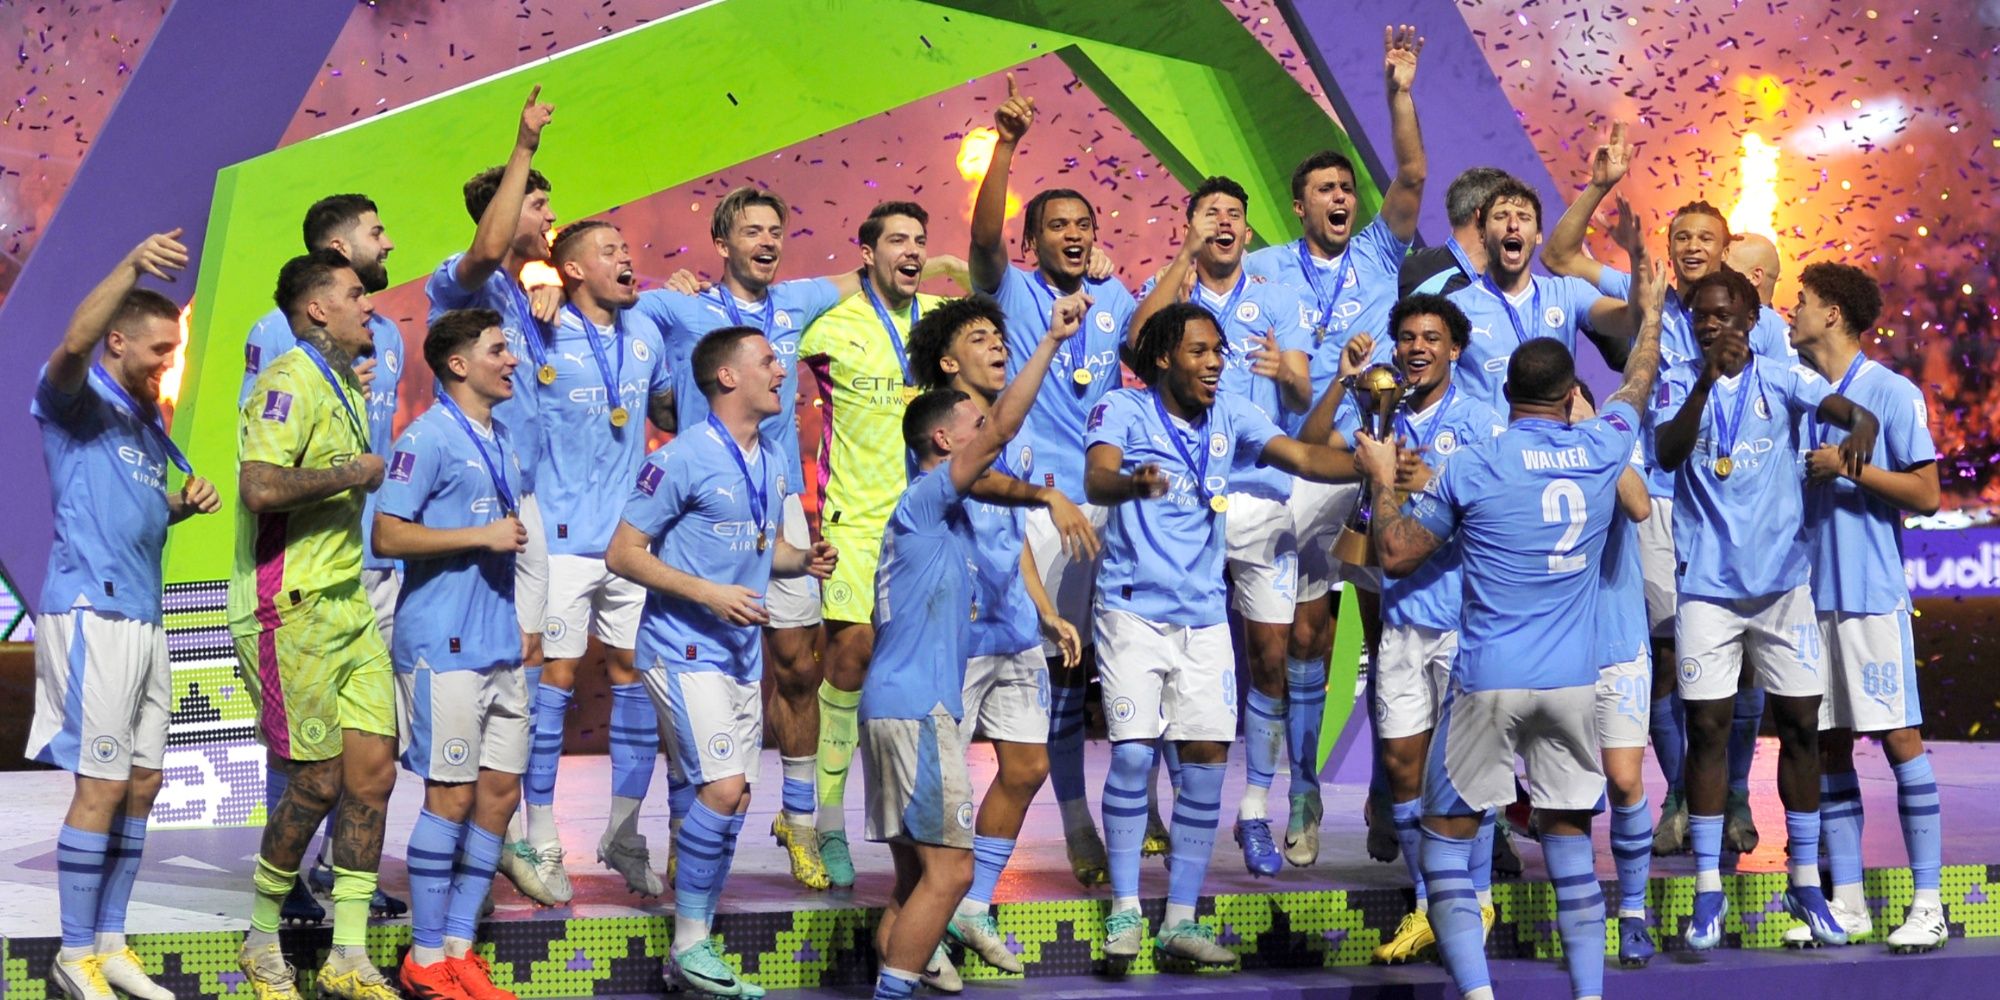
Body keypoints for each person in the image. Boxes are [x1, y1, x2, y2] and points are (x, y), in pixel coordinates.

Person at [1357, 254, 1670, 1000]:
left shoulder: (1477, 463)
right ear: (1569, 398)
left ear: (1503, 393)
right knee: (1568, 841)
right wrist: (1649, 312)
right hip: (1571, 686)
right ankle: (1589, 995)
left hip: (1491, 681)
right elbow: (1637, 383)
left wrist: (1380, 483)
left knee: (1445, 840)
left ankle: (1478, 995)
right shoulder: (1602, 447)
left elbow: (1395, 556)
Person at [632, 186, 911, 891]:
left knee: (796, 667)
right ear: (722, 243)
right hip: (701, 512)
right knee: (699, 678)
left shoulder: (798, 300)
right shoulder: (681, 305)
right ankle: (680, 830)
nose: (767, 240)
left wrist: (937, 260)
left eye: (775, 229)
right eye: (751, 230)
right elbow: (610, 300)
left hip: (778, 507)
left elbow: (866, 273)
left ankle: (800, 822)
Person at [1087, 302, 1357, 965]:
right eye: (1200, 353)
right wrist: (1130, 485)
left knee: (1207, 762)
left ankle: (1180, 920)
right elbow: (1095, 476)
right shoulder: (1124, 410)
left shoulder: (1231, 412)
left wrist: (1370, 468)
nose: (1214, 365)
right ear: (1162, 358)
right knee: (1130, 756)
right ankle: (1124, 911)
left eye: (1219, 353)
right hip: (1131, 611)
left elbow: (1300, 457)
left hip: (1204, 614)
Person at [1543, 126, 1789, 854]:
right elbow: (1561, 256)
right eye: (1679, 235)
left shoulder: (1762, 325)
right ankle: (1682, 788)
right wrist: (1601, 184)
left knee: (1734, 657)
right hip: (1656, 498)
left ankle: (1736, 794)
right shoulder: (1646, 294)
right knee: (1660, 655)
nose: (1688, 247)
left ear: (1724, 249)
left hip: (1731, 508)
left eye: (1702, 238)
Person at [859, 290, 1083, 1000]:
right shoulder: (928, 495)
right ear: (946, 440)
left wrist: (1042, 607)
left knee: (919, 880)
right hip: (918, 710)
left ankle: (906, 964)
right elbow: (997, 434)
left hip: (904, 703)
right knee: (951, 874)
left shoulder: (943, 513)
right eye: (974, 427)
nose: (987, 429)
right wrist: (1049, 340)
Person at [1242, 24, 1428, 868]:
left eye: (1347, 186)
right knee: (1308, 636)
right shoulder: (1267, 267)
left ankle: (1394, 800)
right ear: (1299, 204)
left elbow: (1415, 176)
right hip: (1317, 461)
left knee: (1403, 627)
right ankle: (1305, 792)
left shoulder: (1383, 253)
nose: (1342, 198)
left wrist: (1397, 94)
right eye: (1325, 188)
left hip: (1394, 456)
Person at [606, 325, 838, 997]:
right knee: (725, 788)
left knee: (728, 803)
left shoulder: (768, 458)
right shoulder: (680, 458)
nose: (781, 370)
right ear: (728, 378)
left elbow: (761, 550)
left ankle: (691, 949)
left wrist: (801, 561)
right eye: (767, 361)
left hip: (737, 657)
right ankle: (690, 944)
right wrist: (708, 593)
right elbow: (622, 554)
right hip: (680, 650)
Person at [1654, 266, 1880, 950]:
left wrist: (1861, 419)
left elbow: (1838, 407)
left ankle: (1804, 880)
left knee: (1802, 727)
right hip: (1708, 594)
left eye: (1724, 314)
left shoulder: (1781, 378)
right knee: (1710, 731)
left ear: (1751, 319)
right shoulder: (1673, 383)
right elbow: (1666, 454)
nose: (1711, 324)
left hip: (1784, 588)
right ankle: (1707, 891)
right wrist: (1702, 380)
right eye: (1701, 315)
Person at [29, 230, 217, 1000]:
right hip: (90, 613)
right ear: (118, 342)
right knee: (101, 785)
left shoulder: (144, 422)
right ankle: (73, 952)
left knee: (143, 783)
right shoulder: (74, 401)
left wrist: (175, 506)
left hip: (143, 616)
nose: (165, 363)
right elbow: (71, 342)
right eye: (158, 350)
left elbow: (127, 510)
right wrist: (131, 263)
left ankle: (110, 944)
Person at [1130, 177, 1314, 877]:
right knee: (1175, 650)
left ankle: (1255, 810)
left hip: (1263, 498)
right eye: (1210, 214)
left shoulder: (1273, 293)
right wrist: (1182, 258)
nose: (1225, 222)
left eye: (1236, 213)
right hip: (1185, 499)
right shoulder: (1173, 290)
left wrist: (1283, 372)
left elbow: (1299, 386)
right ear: (1191, 225)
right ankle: (1163, 804)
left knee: (1270, 656)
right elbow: (1135, 345)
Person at [966, 73, 1124, 887]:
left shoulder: (1114, 292)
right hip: (1031, 508)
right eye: (1055, 224)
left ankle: (1124, 816)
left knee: (1095, 667)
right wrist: (1007, 145)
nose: (1070, 234)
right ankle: (1064, 826)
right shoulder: (1012, 288)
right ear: (1033, 244)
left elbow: (1153, 333)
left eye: (1082, 225)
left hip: (1101, 514)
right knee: (1038, 667)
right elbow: (986, 231)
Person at [231, 249, 400, 1000]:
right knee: (319, 779)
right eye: (356, 294)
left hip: (348, 604)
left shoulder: (342, 383)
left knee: (374, 775)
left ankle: (349, 956)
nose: (371, 305)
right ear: (316, 309)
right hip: (287, 607)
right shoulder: (285, 383)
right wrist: (348, 473)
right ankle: (262, 942)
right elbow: (259, 486)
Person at [1334, 297, 1505, 965]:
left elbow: (1496, 506)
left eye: (1431, 338)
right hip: (1403, 616)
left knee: (1464, 772)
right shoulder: (1381, 417)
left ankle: (1476, 899)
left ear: (1454, 349)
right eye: (1405, 337)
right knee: (1403, 765)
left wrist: (1432, 482)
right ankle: (1431, 902)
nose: (1415, 348)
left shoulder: (1483, 422)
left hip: (1466, 618)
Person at [423, 85, 562, 905]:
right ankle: (478, 828)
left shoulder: (526, 295)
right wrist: (524, 147)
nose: (546, 217)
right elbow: (483, 246)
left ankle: (509, 827)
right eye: (536, 206)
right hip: (477, 513)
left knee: (529, 662)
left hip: (533, 500)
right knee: (484, 663)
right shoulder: (461, 284)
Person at [1786, 261, 1946, 952]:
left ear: (1833, 316)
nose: (1792, 311)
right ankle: (1847, 902)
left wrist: (1847, 467)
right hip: (1804, 598)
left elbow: (1927, 493)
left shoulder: (1891, 391)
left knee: (1899, 736)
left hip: (1869, 598)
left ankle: (1929, 902)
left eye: (1802, 302)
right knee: (1827, 743)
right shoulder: (1797, 393)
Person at [373, 308, 529, 1000]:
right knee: (452, 795)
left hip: (497, 644)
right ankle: (425, 956)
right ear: (459, 364)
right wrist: (478, 538)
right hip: (442, 644)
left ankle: (462, 948)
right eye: (499, 350)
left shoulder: (505, 439)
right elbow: (386, 535)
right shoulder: (426, 439)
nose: (513, 360)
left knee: (499, 795)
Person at [797, 201, 951, 888]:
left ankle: (910, 831)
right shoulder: (827, 327)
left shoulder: (944, 321)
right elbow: (752, 330)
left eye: (920, 240)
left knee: (914, 682)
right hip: (854, 525)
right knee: (852, 656)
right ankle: (826, 825)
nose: (912, 251)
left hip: (928, 526)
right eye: (897, 240)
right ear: (867, 253)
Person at [528, 219, 675, 900]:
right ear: (574, 270)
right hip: (559, 541)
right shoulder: (543, 326)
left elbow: (669, 410)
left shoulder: (646, 331)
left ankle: (623, 834)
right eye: (609, 250)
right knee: (553, 677)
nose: (626, 256)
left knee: (633, 675)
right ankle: (541, 839)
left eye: (627, 245)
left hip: (628, 540)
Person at [1571, 382, 1660, 969]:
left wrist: (1596, 429)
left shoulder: (1612, 442)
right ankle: (1580, 918)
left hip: (1619, 644)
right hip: (1556, 651)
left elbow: (1639, 505)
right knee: (1570, 795)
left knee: (1624, 781)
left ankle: (1633, 913)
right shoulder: (1528, 457)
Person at [1443, 177, 1636, 409]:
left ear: (1538, 235)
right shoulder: (1453, 309)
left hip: (1554, 441)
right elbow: (1440, 394)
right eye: (1501, 216)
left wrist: (1639, 256)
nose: (1513, 224)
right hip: (1492, 443)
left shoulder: (1568, 292)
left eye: (1524, 217)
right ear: (1482, 234)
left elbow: (1629, 320)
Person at [1396, 167, 1515, 299]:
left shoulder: (1510, 291)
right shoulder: (1410, 277)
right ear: (1482, 216)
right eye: (1506, 214)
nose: (1515, 225)